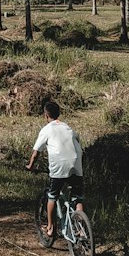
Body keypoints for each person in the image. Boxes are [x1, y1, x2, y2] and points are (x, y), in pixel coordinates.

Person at [25, 97, 84, 238]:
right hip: (76, 164)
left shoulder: (46, 130)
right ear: (59, 114)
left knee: (52, 196)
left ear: (46, 115)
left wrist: (30, 166)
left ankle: (51, 228)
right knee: (78, 199)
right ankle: (82, 229)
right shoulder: (67, 127)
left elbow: (36, 153)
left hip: (59, 167)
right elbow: (76, 142)